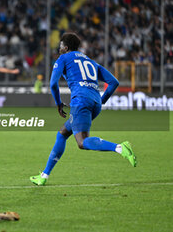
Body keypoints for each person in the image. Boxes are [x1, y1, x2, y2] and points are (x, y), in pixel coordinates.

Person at [30, 32, 137, 186]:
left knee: (82, 142)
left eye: (60, 45)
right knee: (63, 133)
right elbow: (114, 82)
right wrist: (101, 101)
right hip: (94, 103)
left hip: (80, 102)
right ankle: (44, 176)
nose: (58, 48)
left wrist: (59, 103)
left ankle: (119, 147)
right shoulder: (92, 62)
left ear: (66, 47)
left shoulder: (63, 58)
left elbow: (53, 83)